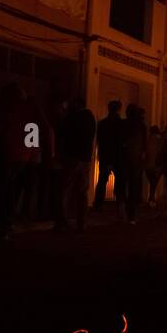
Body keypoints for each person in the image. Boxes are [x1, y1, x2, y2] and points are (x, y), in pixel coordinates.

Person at [0, 82, 34, 241]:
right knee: (12, 189)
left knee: (2, 190)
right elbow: (32, 133)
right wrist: (30, 154)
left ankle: (3, 224)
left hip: (5, 155)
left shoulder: (1, 109)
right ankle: (9, 221)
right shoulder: (28, 111)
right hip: (22, 158)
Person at [54, 96, 96, 232]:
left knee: (65, 189)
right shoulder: (90, 117)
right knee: (82, 192)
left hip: (72, 158)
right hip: (85, 159)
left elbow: (63, 134)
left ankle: (63, 221)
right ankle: (81, 223)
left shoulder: (72, 118)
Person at [92, 100, 124, 213]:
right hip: (118, 157)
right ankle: (119, 206)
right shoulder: (121, 123)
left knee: (102, 181)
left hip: (106, 156)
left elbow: (100, 141)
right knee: (119, 182)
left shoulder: (102, 123)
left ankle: (97, 204)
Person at [121, 104, 149, 222]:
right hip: (136, 160)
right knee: (133, 186)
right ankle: (131, 214)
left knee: (123, 185)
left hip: (124, 158)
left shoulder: (124, 124)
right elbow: (144, 145)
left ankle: (122, 210)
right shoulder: (141, 126)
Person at [145, 126, 164, 209]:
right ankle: (151, 200)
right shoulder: (161, 141)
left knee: (152, 182)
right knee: (154, 183)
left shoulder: (147, 140)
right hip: (157, 166)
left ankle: (151, 199)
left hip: (148, 165)